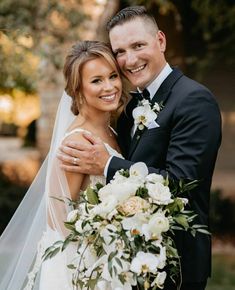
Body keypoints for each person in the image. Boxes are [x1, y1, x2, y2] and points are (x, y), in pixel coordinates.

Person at [58, 6, 222, 290]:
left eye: (138, 45)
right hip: (125, 263)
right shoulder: (129, 106)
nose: (129, 60)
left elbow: (181, 182)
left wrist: (107, 165)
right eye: (120, 51)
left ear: (160, 41)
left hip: (175, 265)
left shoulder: (194, 100)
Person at [0, 40, 124, 290]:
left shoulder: (111, 131)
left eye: (113, 76)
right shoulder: (77, 142)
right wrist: (94, 265)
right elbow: (58, 219)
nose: (109, 86)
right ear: (78, 90)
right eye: (96, 80)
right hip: (83, 268)